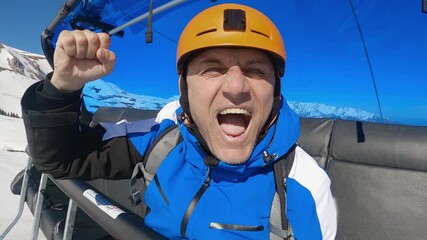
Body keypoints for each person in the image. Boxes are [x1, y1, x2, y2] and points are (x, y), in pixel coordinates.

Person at [22, 3, 337, 240]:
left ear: (276, 92)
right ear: (184, 89)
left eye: (256, 70)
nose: (236, 88)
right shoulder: (163, 139)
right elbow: (61, 159)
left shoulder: (305, 187)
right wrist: (62, 89)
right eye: (212, 68)